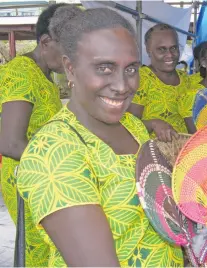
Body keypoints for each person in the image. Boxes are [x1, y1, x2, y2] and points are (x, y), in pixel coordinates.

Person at [16, 7, 183, 267]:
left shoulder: (132, 126)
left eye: (131, 69)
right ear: (70, 69)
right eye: (105, 68)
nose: (123, 85)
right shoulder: (54, 153)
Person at [0, 3, 71, 229]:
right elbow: (10, 143)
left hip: (43, 176)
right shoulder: (22, 71)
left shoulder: (45, 76)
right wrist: (65, 167)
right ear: (45, 42)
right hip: (28, 180)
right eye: (68, 50)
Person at [128, 24, 191, 142]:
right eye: (161, 49)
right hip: (153, 155)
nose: (169, 55)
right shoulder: (141, 79)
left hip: (185, 153)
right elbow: (129, 126)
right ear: (148, 49)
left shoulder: (186, 79)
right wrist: (154, 124)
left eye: (174, 48)